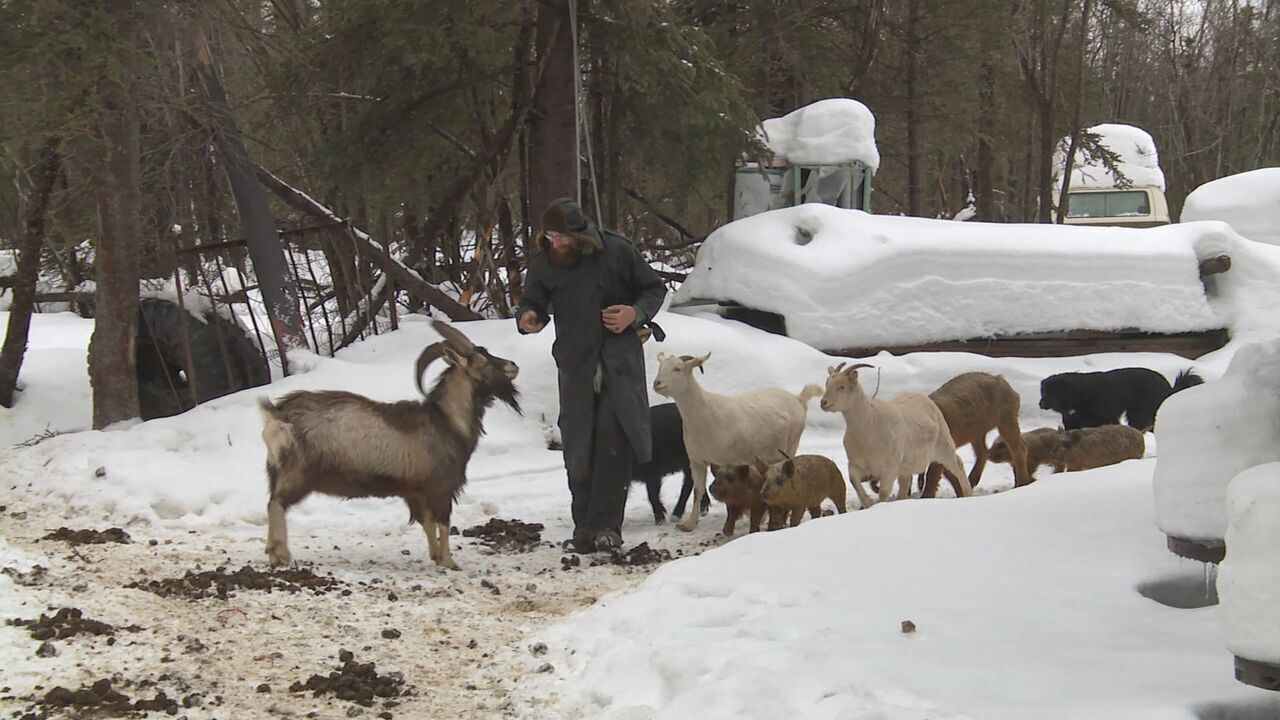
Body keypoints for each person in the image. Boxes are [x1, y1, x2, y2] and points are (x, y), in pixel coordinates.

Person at [516, 198, 667, 553]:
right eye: (550, 236)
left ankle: (607, 528)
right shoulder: (546, 262)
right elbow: (531, 301)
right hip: (576, 366)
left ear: (580, 235)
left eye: (562, 237)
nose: (556, 244)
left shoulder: (617, 251)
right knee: (579, 447)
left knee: (613, 445)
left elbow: (653, 289)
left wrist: (635, 313)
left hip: (619, 364)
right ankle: (583, 528)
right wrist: (529, 318)